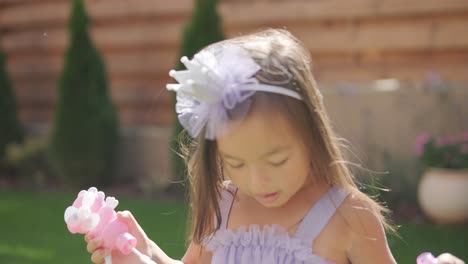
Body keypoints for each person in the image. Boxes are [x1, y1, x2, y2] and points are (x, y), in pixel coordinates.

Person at [85, 29, 464, 264]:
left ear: (312, 136)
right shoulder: (223, 206)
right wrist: (142, 252)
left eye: (277, 159)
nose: (257, 179)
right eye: (236, 162)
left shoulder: (349, 217)